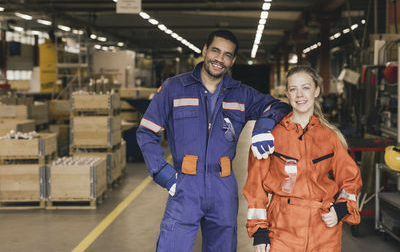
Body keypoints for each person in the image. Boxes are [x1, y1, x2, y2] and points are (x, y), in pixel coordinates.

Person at [136, 29, 291, 252]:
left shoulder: (241, 94)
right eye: (215, 51)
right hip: (185, 185)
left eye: (227, 55)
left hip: (223, 187)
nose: (220, 59)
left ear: (233, 60)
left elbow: (278, 106)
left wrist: (263, 127)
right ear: (205, 50)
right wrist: (164, 175)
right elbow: (146, 132)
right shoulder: (174, 88)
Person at [244, 65, 362, 252]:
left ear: (316, 91)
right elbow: (255, 186)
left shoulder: (330, 136)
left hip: (324, 228)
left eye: (306, 87)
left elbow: (350, 179)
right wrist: (259, 231)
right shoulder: (270, 137)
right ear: (287, 95)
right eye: (293, 89)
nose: (300, 95)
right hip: (283, 229)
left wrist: (341, 209)